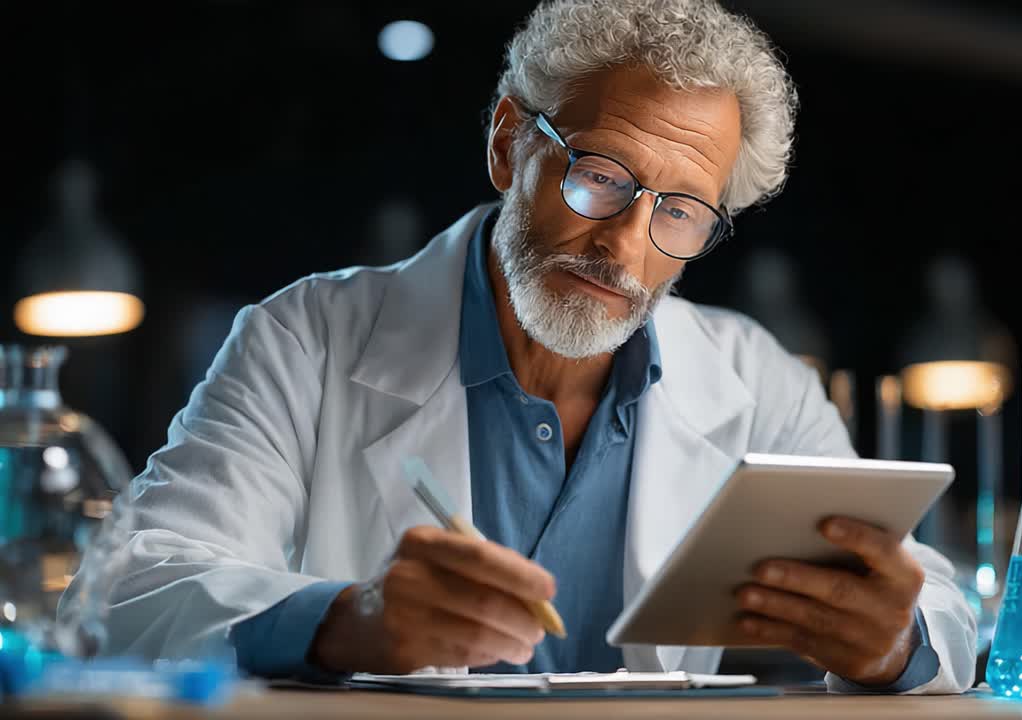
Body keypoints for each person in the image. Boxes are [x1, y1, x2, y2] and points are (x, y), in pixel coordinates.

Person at [77, 0, 976, 693]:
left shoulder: (754, 376)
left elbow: (931, 600)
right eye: (598, 176)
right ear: (510, 145)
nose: (625, 244)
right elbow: (128, 593)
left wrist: (893, 640)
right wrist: (351, 621)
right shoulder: (304, 339)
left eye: (682, 211)